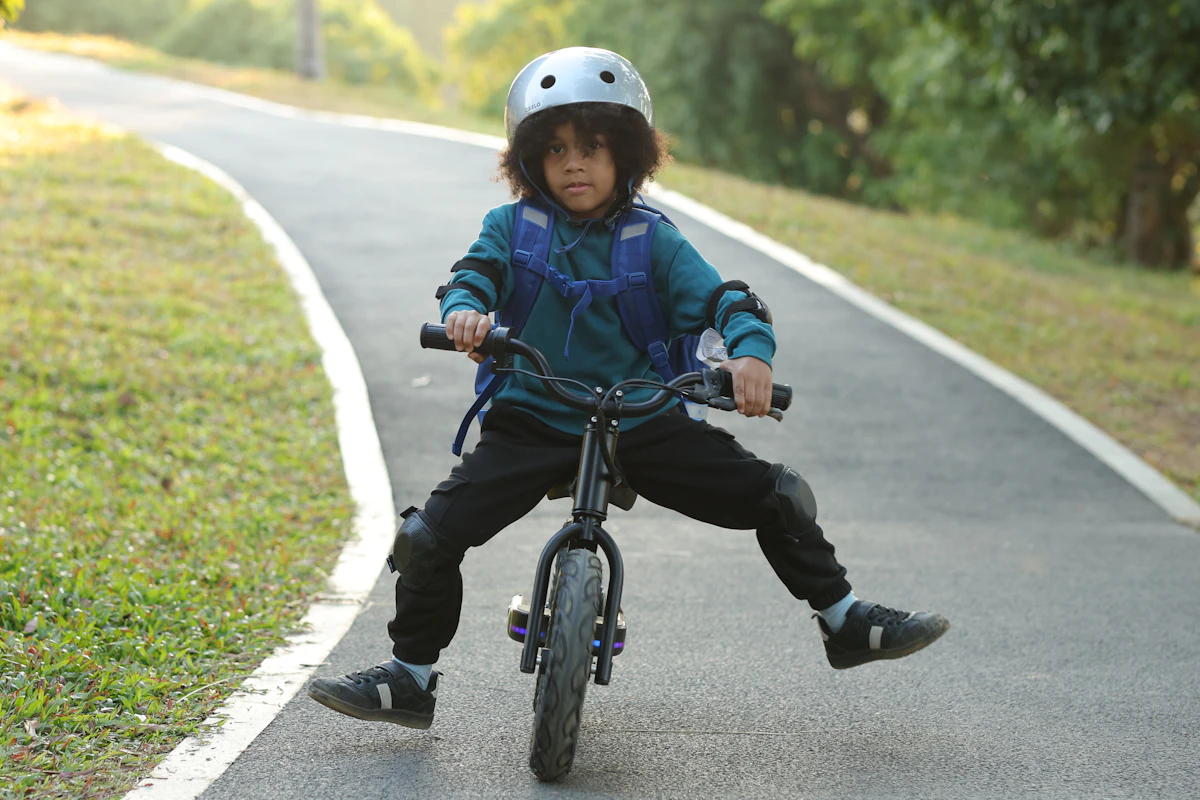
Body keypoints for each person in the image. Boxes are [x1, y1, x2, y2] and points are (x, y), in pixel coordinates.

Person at [308, 48, 948, 729]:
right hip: (533, 417)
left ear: (627, 154)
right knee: (426, 538)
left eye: (592, 147)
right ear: (529, 159)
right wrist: (466, 310)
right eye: (555, 149)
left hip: (642, 419)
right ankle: (410, 677)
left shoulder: (653, 241)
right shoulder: (513, 228)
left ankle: (844, 620)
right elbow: (474, 275)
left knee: (778, 497)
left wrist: (751, 357)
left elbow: (727, 301)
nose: (573, 164)